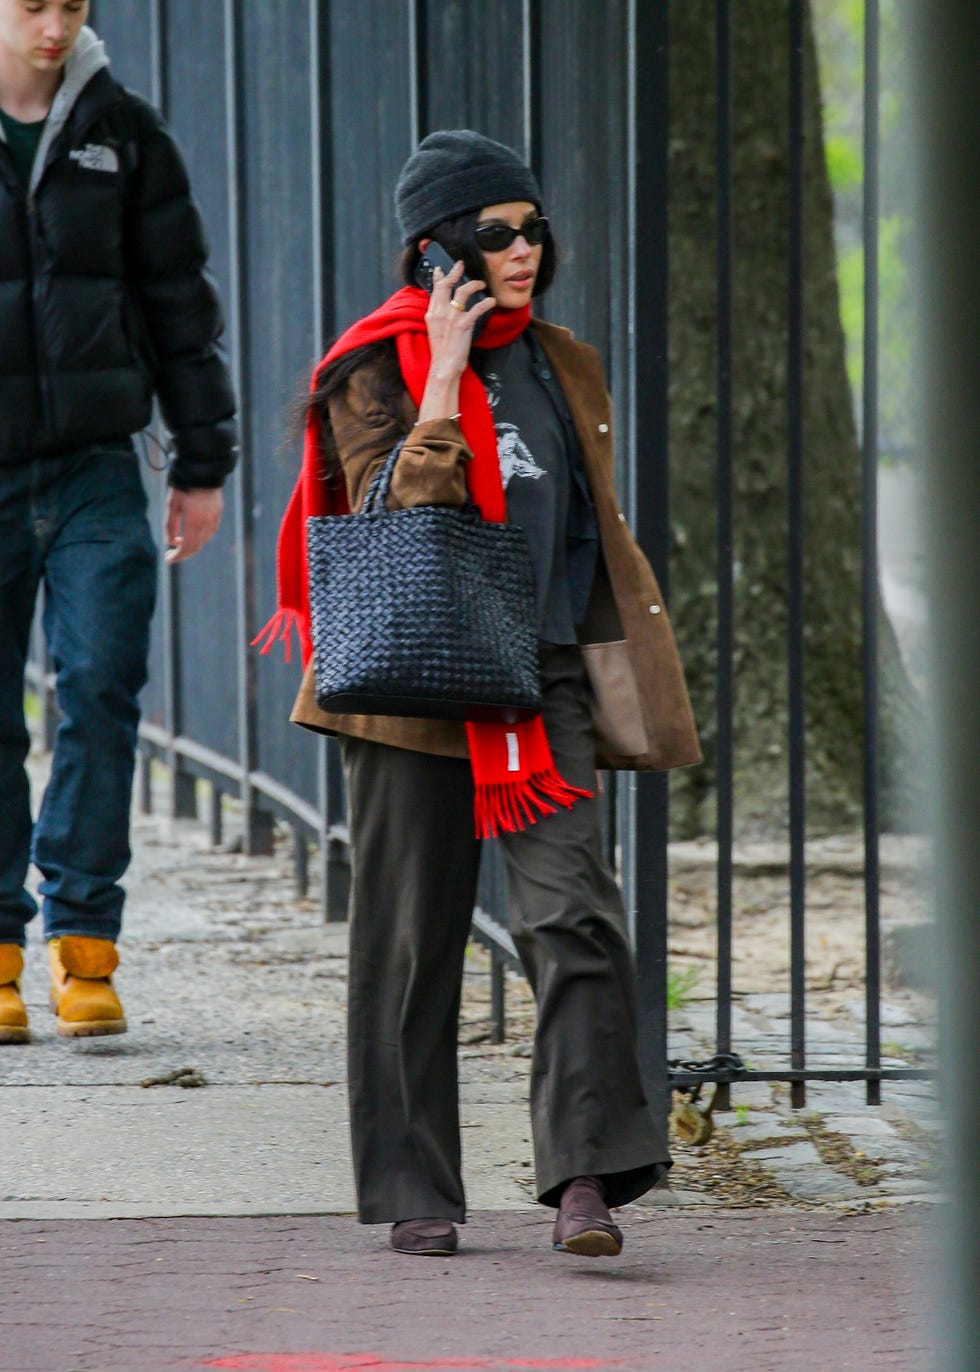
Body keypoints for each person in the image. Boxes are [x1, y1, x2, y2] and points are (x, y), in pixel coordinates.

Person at [259, 129, 699, 1257]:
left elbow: (586, 529)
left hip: (537, 677)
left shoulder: (563, 362)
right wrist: (446, 381)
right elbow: (388, 510)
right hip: (411, 678)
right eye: (495, 233)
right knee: (412, 940)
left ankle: (586, 1176)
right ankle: (415, 1184)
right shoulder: (371, 366)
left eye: (532, 228)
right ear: (438, 248)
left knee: (574, 915)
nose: (522, 250)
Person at [0, 1, 236, 1042]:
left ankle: (84, 942)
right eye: (32, 5)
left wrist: (202, 462)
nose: (54, 26)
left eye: (74, 4)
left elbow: (178, 298)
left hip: (97, 467)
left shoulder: (125, 132)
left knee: (100, 685)